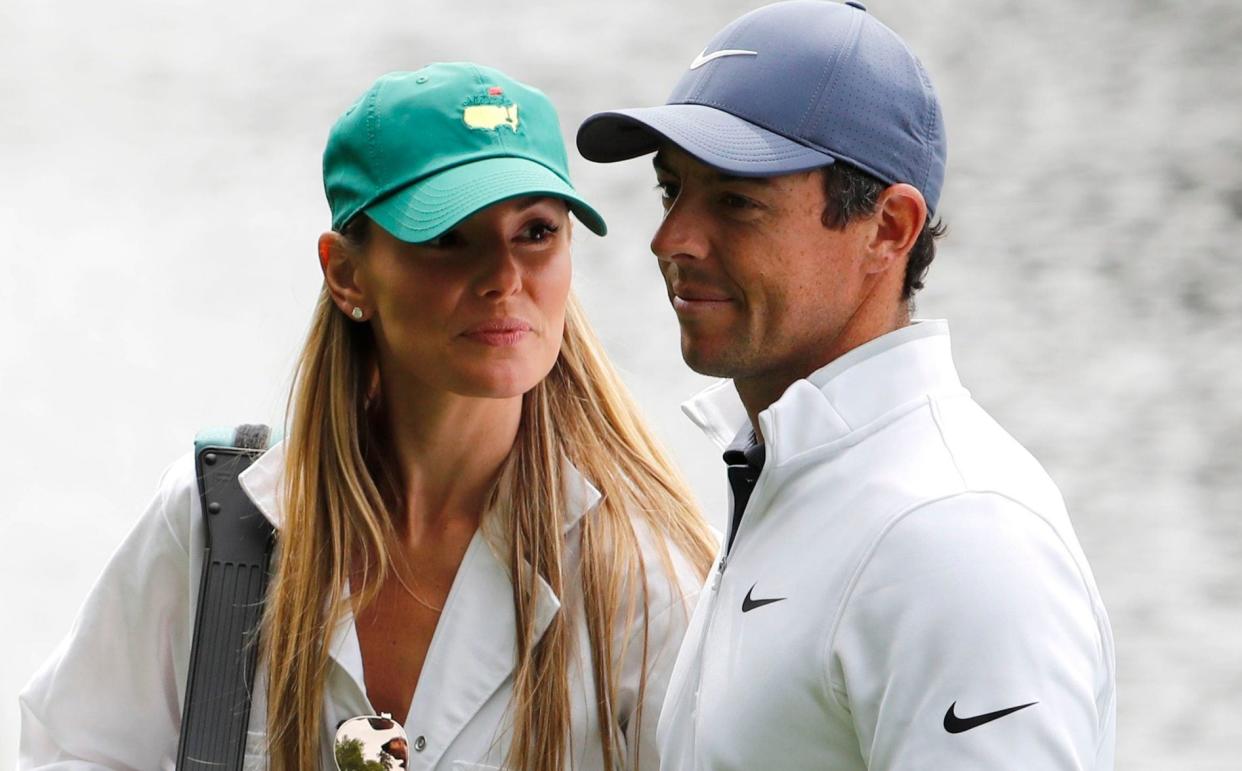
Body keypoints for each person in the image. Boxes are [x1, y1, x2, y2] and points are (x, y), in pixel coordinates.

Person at [19, 62, 716, 771]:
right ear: (347, 273)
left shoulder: (643, 577)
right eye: (448, 237)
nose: (504, 277)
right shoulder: (217, 525)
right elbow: (73, 752)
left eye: (536, 232)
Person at [576, 1, 1116, 769]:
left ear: (889, 228)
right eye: (672, 192)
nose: (671, 239)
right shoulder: (797, 477)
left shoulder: (956, 536)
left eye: (735, 200)